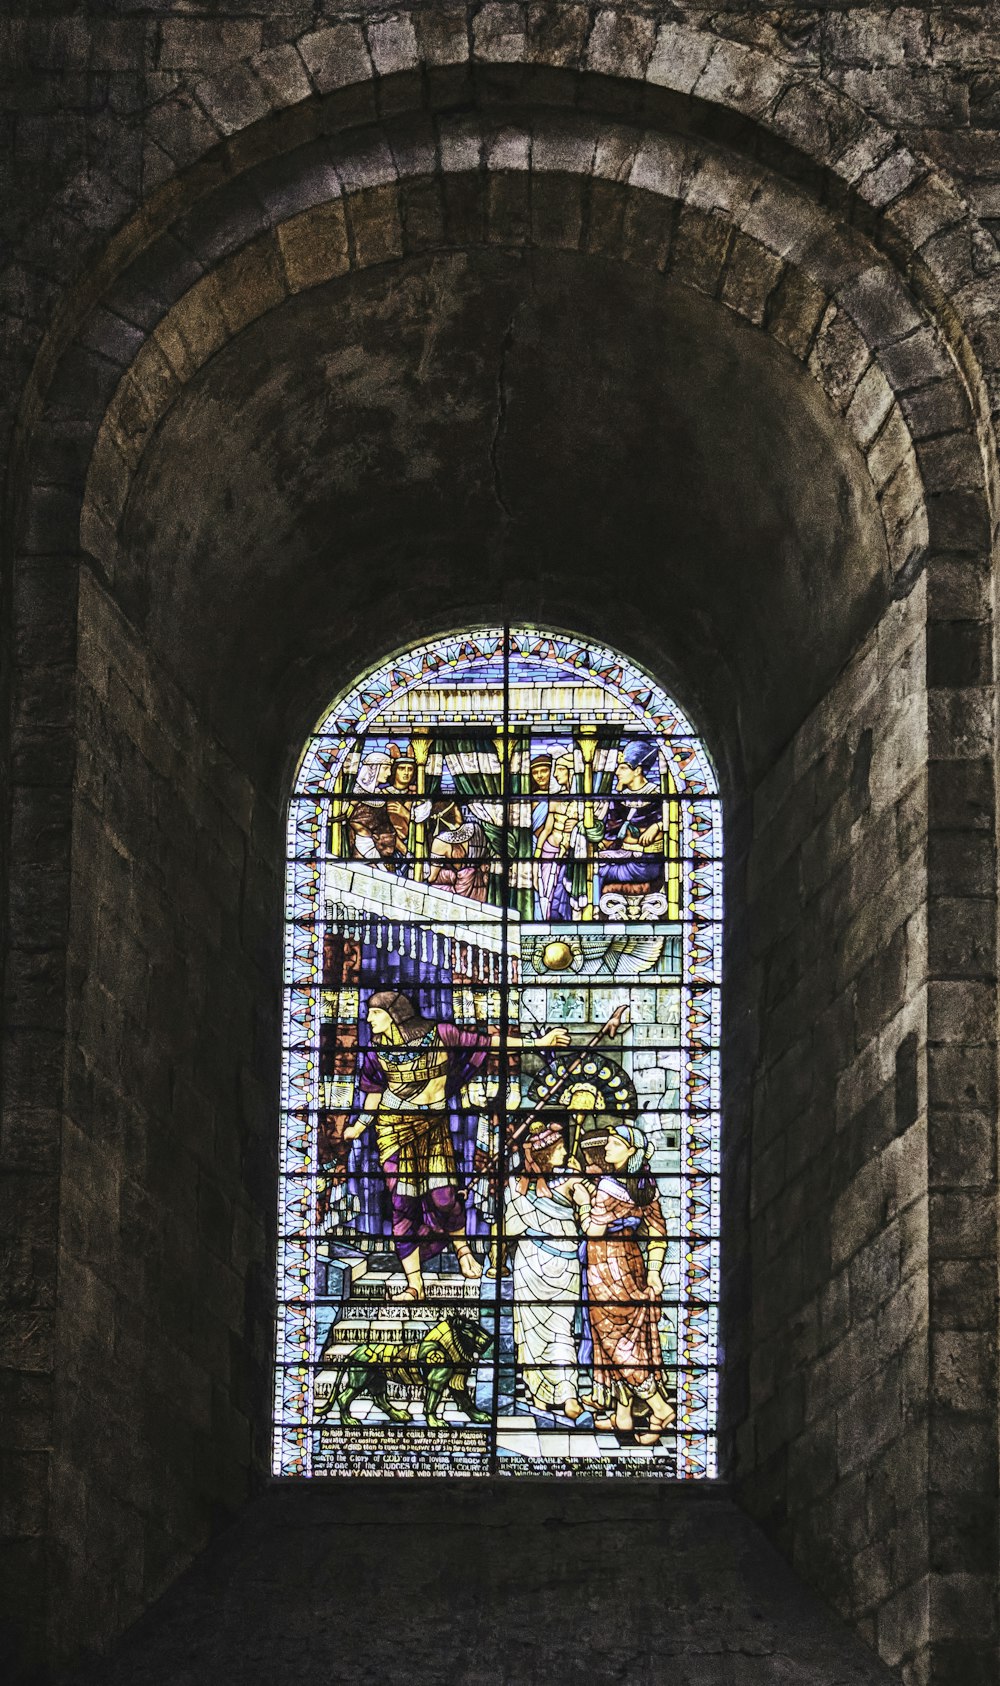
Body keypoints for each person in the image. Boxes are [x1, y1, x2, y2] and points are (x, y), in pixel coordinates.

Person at [344, 991, 570, 1300]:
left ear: (395, 1014)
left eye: (375, 1013)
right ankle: (415, 1285)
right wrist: (359, 1125)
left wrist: (540, 1043)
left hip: (432, 1128)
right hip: (393, 1131)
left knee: (445, 1197)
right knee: (401, 1204)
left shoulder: (442, 1034)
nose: (368, 1019)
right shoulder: (375, 1051)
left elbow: (490, 1044)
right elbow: (373, 1096)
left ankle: (462, 1248)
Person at [580, 1121, 674, 1444]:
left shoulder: (607, 1188)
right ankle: (623, 1413)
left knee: (617, 1342)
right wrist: (653, 1272)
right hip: (632, 1263)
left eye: (615, 1144)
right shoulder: (645, 1188)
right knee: (625, 1339)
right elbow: (658, 1232)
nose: (607, 1148)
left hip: (607, 1267)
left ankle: (659, 1408)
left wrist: (582, 1202)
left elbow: (593, 1231)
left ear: (631, 1151)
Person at [505, 1122, 590, 1419]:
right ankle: (539, 1394)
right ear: (545, 1154)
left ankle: (567, 1394)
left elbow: (511, 1226)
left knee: (560, 1331)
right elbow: (510, 1227)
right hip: (531, 1262)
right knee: (531, 1334)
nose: (566, 1152)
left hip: (559, 1265)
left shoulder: (567, 1179)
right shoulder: (521, 1185)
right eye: (559, 1148)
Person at [594, 738, 665, 917]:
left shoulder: (658, 797)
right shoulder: (620, 799)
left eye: (623, 767)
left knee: (595, 869)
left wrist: (657, 826)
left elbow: (673, 821)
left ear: (638, 770)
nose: (617, 772)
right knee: (579, 865)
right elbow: (610, 831)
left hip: (645, 864)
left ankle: (593, 913)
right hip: (624, 856)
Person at [533, 750, 579, 920]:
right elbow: (547, 828)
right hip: (548, 848)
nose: (555, 773)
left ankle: (561, 920)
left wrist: (578, 825)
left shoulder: (583, 801)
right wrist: (537, 852)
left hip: (570, 853)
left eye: (560, 769)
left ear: (571, 771)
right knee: (546, 890)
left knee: (562, 889)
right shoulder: (555, 798)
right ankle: (546, 920)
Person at [427, 816, 491, 902]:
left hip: (457, 895)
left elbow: (431, 878)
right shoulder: (477, 829)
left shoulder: (440, 842)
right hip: (479, 890)